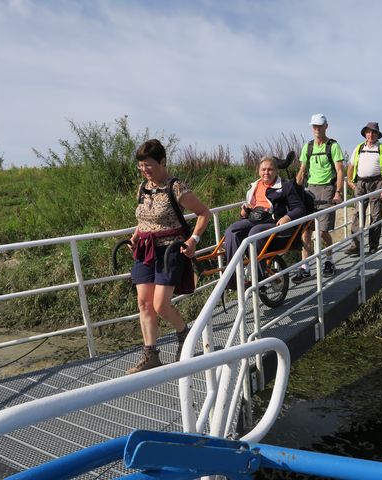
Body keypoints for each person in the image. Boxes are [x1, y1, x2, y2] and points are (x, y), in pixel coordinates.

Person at [129, 139, 211, 374]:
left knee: (160, 304)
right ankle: (151, 354)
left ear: (163, 162)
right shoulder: (143, 188)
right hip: (145, 249)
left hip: (169, 250)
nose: (145, 170)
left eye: (149, 165)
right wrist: (136, 235)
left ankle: (184, 333)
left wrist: (193, 240)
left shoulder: (176, 187)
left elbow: (204, 213)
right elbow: (143, 218)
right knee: (144, 303)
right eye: (141, 166)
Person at [224, 156, 305, 289]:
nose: (266, 172)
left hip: (273, 222)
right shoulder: (254, 186)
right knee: (231, 231)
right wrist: (243, 212)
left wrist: (287, 217)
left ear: (276, 171)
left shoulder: (285, 186)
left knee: (254, 233)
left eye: (270, 169)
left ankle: (259, 279)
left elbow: (299, 208)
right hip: (254, 219)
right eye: (263, 169)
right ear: (258, 171)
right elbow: (249, 209)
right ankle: (233, 279)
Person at [292, 114, 345, 284]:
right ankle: (305, 267)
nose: (316, 129)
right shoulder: (307, 147)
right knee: (306, 230)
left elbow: (340, 171)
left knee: (323, 231)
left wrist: (338, 192)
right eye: (314, 126)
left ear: (326, 127)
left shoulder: (333, 146)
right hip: (310, 189)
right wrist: (296, 185)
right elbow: (302, 169)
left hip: (328, 188)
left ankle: (329, 260)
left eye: (319, 126)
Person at [345, 122, 382, 256]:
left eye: (373, 132)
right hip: (360, 184)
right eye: (368, 132)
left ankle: (373, 245)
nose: (370, 134)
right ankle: (355, 246)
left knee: (375, 216)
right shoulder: (359, 148)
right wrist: (350, 181)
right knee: (357, 214)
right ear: (365, 134)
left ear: (378, 135)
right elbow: (350, 165)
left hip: (377, 183)